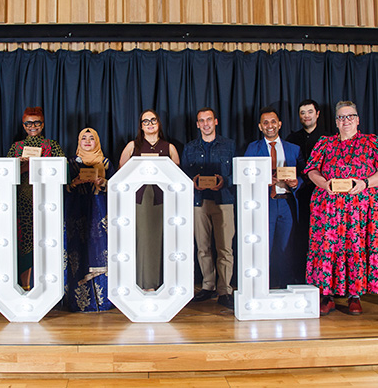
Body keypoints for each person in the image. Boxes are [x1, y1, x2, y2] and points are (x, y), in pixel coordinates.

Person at [305, 101, 378, 316]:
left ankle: (354, 296)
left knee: (356, 249)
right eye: (341, 117)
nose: (345, 120)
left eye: (350, 116)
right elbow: (312, 170)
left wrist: (365, 183)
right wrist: (324, 184)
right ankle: (326, 296)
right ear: (336, 122)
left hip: (362, 209)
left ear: (357, 119)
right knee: (328, 249)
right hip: (329, 209)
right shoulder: (324, 143)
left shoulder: (372, 142)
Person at [180, 108, 236, 309]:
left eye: (209, 120)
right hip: (199, 202)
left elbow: (238, 173)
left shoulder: (229, 145)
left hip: (224, 200)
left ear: (216, 121)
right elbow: (184, 175)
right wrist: (192, 182)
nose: (205, 124)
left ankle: (225, 290)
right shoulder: (190, 148)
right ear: (197, 124)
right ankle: (208, 285)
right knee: (202, 247)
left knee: (225, 248)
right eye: (201, 121)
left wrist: (225, 181)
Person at [119, 109, 180, 291]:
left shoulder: (169, 147)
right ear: (141, 126)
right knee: (143, 240)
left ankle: (163, 283)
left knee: (164, 240)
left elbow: (177, 174)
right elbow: (122, 171)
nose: (150, 124)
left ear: (159, 123)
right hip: (140, 199)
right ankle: (143, 283)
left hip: (164, 200)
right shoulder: (132, 146)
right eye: (145, 121)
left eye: (153, 120)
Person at [244, 107, 304, 288]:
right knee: (264, 247)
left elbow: (306, 174)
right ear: (260, 127)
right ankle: (264, 285)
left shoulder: (294, 149)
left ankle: (285, 284)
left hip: (287, 203)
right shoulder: (252, 148)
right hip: (264, 204)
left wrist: (297, 183)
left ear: (280, 124)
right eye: (265, 123)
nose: (270, 126)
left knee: (287, 247)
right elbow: (245, 175)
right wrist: (263, 180)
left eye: (273, 122)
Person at [6, 107, 65, 290]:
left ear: (43, 124)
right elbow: (6, 174)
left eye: (37, 122)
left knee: (47, 241)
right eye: (29, 123)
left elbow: (63, 171)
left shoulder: (51, 145)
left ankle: (46, 286)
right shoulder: (16, 147)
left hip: (47, 200)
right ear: (24, 125)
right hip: (22, 202)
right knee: (25, 241)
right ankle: (25, 285)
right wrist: (21, 167)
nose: (33, 126)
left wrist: (41, 167)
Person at [64, 128, 114, 312]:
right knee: (78, 253)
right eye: (83, 138)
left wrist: (104, 183)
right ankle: (78, 302)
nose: (87, 141)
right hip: (76, 214)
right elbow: (62, 188)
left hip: (99, 214)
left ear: (97, 142)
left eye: (91, 138)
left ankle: (102, 300)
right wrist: (74, 183)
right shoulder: (70, 163)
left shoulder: (106, 163)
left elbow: (117, 187)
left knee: (100, 252)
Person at [286, 100, 327, 262]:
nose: (306, 116)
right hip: (299, 193)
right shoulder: (292, 139)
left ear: (317, 114)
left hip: (323, 192)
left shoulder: (329, 138)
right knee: (301, 231)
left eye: (310, 112)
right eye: (302, 113)